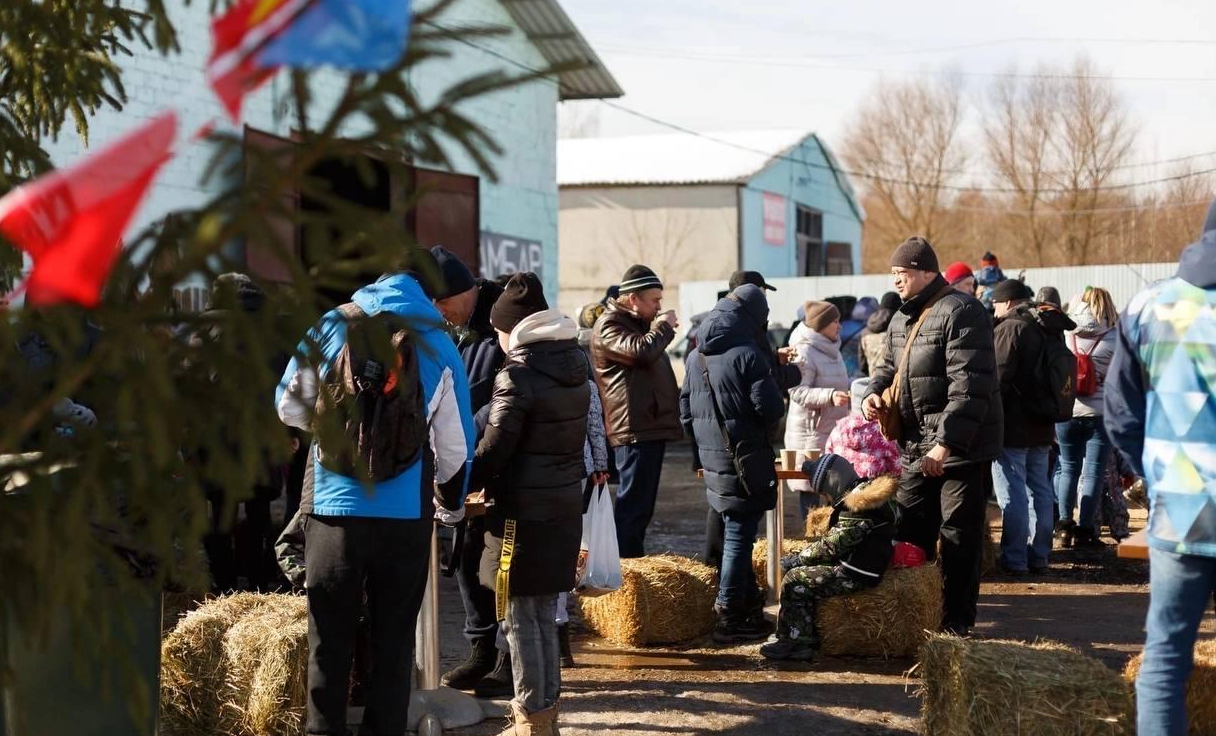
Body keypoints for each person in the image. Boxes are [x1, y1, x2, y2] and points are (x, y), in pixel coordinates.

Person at [275, 269, 476, 736]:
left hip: (333, 507)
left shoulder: (331, 325)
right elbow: (455, 446)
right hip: (404, 513)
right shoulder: (438, 343)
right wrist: (450, 502)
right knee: (393, 637)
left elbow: (287, 405)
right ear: (427, 298)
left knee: (329, 636)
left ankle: (323, 729)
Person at [1106, 197, 1216, 736]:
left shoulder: (1148, 305)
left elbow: (1121, 412)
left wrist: (1153, 476)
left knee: (1167, 655)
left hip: (1181, 506)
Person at [862, 236, 1001, 636]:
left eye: (902, 274)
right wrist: (873, 394)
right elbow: (888, 369)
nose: (897, 282)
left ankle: (955, 628)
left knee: (958, 539)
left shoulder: (963, 312)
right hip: (914, 445)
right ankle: (916, 621)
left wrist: (947, 444)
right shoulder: (900, 318)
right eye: (893, 275)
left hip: (960, 450)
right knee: (908, 533)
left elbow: (970, 387)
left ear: (926, 272)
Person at [470, 272, 588, 736]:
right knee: (542, 612)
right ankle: (545, 717)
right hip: (561, 507)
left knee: (519, 617)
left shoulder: (518, 374)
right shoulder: (572, 362)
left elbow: (495, 448)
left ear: (513, 328)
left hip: (519, 512)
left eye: (498, 330)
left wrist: (456, 481)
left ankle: (530, 720)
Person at [680, 284, 784, 643]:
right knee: (740, 535)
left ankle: (746, 604)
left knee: (733, 531)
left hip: (714, 460)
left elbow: (685, 413)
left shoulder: (696, 356)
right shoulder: (748, 355)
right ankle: (728, 614)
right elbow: (771, 408)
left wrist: (703, 451)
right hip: (745, 457)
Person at [431, 249, 515, 694]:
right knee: (466, 560)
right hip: (466, 466)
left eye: (444, 302)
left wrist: (464, 432)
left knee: (500, 564)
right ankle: (481, 647)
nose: (440, 312)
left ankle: (509, 655)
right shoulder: (463, 335)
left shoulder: (501, 328)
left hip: (496, 465)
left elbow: (500, 403)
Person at [760, 454, 898, 661]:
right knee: (803, 573)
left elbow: (831, 546)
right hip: (866, 563)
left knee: (795, 579)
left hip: (855, 572)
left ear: (833, 481)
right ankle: (804, 633)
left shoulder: (857, 506)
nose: (827, 498)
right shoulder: (867, 492)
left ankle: (795, 642)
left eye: (825, 492)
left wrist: (799, 559)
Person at [591, 264, 683, 558]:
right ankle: (622, 572)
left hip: (647, 426)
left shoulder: (638, 325)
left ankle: (632, 567)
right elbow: (641, 351)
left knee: (641, 509)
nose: (659, 307)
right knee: (632, 509)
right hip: (632, 429)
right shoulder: (609, 325)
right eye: (654, 300)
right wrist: (663, 327)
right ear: (632, 299)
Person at [990, 279, 1075, 575]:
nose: (994, 308)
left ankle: (1015, 559)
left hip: (1013, 426)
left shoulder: (1012, 328)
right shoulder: (1049, 326)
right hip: (1043, 423)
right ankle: (1039, 555)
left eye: (996, 302)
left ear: (1010, 302)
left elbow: (995, 379)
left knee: (1012, 494)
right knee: (1039, 489)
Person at [1055, 287, 1120, 549]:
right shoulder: (1114, 337)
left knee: (1068, 468)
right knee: (1093, 472)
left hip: (1067, 411)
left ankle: (1063, 527)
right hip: (1100, 413)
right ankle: (1084, 531)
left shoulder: (1066, 331)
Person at [784, 300, 851, 517]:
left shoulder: (832, 347)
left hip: (832, 429)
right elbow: (797, 391)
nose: (839, 326)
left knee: (833, 484)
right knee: (811, 488)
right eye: (834, 322)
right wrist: (830, 396)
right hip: (810, 433)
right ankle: (811, 540)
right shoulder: (804, 352)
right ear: (821, 325)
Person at [858, 291, 900, 378]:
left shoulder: (865, 331)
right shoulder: (900, 326)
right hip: (895, 382)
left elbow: (862, 364)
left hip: (874, 382)